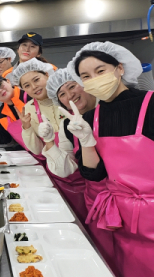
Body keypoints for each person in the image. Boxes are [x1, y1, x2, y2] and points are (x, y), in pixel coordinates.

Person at [62, 41, 151, 277]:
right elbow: (94, 174)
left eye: (100, 71)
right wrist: (86, 142)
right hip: (119, 219)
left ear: (119, 68)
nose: (94, 78)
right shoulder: (90, 118)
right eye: (86, 76)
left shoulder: (151, 105)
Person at [46, 68, 118, 277]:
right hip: (96, 201)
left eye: (72, 86)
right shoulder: (68, 124)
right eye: (62, 94)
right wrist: (50, 143)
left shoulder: (112, 111)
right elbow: (67, 168)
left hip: (135, 205)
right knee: (104, 260)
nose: (70, 96)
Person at [10, 58, 61, 166]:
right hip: (56, 169)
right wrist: (26, 127)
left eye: (36, 80)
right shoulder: (29, 109)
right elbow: (37, 150)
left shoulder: (65, 96)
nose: (34, 87)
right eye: (27, 85)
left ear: (47, 74)